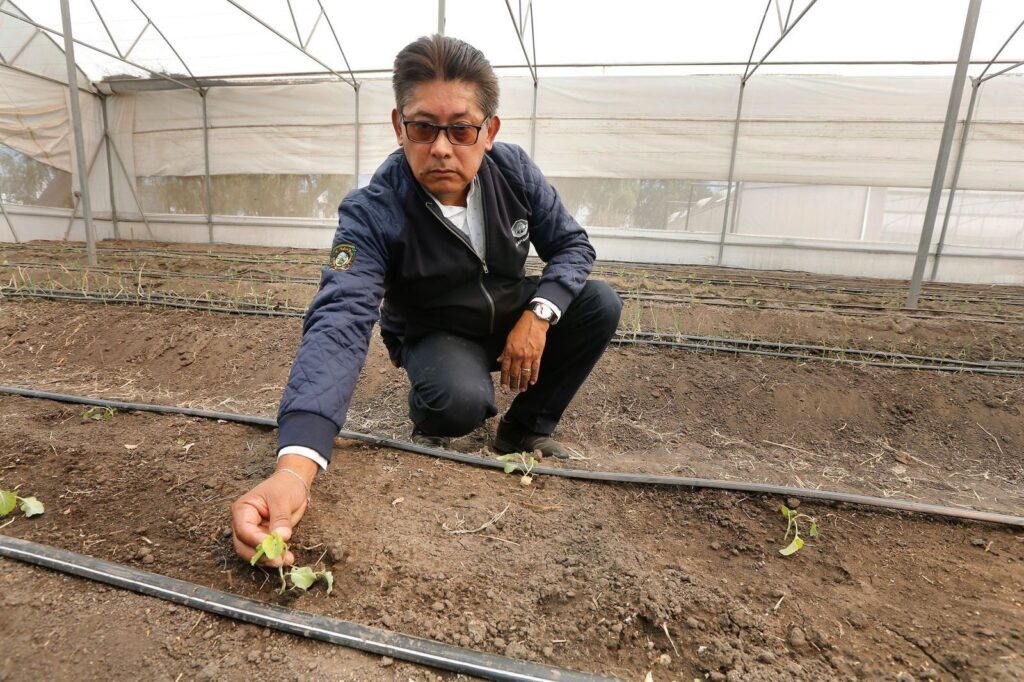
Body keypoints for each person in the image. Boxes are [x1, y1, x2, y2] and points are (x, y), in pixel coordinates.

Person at [231, 35, 621, 567]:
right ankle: (434, 403)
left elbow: (573, 246)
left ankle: (524, 429)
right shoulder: (375, 210)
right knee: (457, 405)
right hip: (437, 329)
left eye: (461, 129)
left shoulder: (513, 172)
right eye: (423, 127)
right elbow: (339, 320)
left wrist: (539, 314)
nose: (441, 148)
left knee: (598, 304)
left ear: (489, 132)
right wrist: (294, 468)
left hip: (508, 312)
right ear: (400, 127)